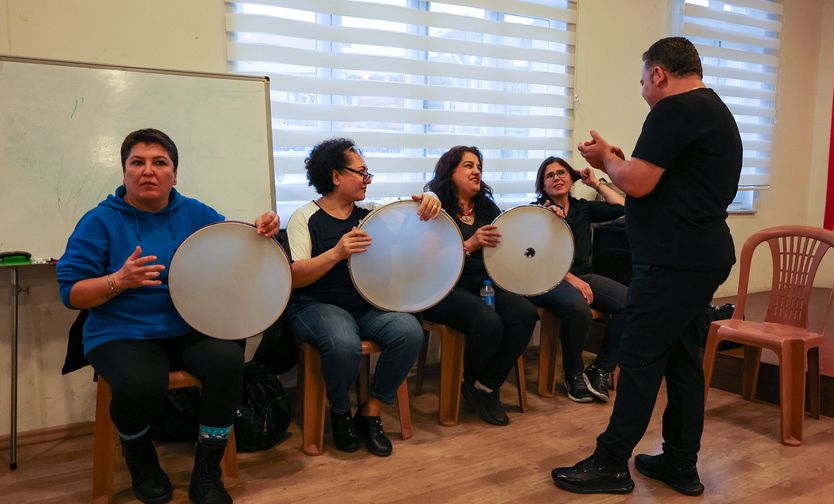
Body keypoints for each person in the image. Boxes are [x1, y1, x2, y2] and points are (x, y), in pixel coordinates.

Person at [551, 37, 742, 496]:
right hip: (699, 258)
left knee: (637, 358)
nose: (642, 90)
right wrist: (618, 161)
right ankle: (680, 463)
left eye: (642, 81)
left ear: (659, 74)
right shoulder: (713, 110)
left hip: (674, 263)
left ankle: (611, 462)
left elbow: (636, 182)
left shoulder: (675, 110)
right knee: (682, 362)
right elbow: (658, 180)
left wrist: (606, 161)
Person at [57, 128, 280, 504]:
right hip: (119, 331)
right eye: (137, 162)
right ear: (124, 172)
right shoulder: (100, 221)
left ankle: (207, 472)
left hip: (188, 326)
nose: (148, 171)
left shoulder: (196, 213)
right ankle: (139, 453)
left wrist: (262, 231)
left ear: (174, 174)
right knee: (141, 383)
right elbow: (71, 293)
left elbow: (233, 250)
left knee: (228, 362)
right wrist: (118, 281)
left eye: (159, 162)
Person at [286, 138, 437, 457]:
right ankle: (340, 412)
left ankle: (370, 411)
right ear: (335, 175)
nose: (367, 179)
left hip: (367, 305)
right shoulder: (304, 217)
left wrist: (431, 198)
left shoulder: (370, 213)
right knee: (343, 341)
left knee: (409, 332)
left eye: (368, 173)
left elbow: (413, 217)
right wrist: (337, 252)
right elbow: (295, 275)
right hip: (315, 305)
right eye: (361, 172)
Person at [421, 146, 539, 426]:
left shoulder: (487, 207)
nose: (476, 171)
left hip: (486, 283)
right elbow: (427, 262)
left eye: (479, 167)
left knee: (525, 313)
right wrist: (469, 245)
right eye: (468, 166)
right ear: (450, 172)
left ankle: (483, 385)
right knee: (489, 323)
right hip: (445, 288)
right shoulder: (436, 208)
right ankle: (480, 385)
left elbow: (507, 244)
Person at [529, 156, 627, 403]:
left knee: (633, 302)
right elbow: (534, 256)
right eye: (549, 175)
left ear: (571, 179)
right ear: (542, 185)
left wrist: (595, 183)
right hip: (549, 277)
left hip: (584, 275)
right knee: (578, 308)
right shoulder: (538, 211)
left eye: (561, 173)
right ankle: (573, 375)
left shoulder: (583, 208)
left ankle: (601, 368)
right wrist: (570, 278)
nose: (556, 178)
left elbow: (621, 206)